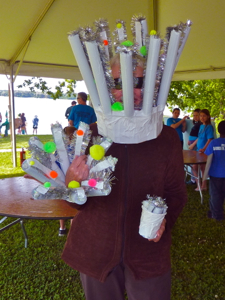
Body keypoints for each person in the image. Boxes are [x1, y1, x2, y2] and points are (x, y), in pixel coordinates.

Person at [62, 55, 187, 300]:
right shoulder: (88, 135)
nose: (130, 91)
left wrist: (164, 220)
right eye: (119, 82)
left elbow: (176, 194)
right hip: (96, 250)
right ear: (108, 88)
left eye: (139, 81)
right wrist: (71, 183)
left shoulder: (167, 139)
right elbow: (76, 203)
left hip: (148, 255)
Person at [189, 109, 214, 191]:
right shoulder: (201, 126)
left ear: (208, 116)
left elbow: (210, 139)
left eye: (204, 116)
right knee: (195, 167)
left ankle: (203, 185)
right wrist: (194, 145)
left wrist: (204, 148)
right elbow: (199, 137)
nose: (202, 117)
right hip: (198, 150)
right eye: (201, 116)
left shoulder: (209, 126)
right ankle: (199, 185)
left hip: (204, 151)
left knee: (202, 168)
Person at [204, 120, 225, 220]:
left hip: (216, 175)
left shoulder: (213, 143)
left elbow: (208, 160)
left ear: (218, 130)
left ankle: (217, 215)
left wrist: (204, 178)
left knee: (215, 195)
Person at [186, 109, 202, 185]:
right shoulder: (197, 124)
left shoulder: (201, 125)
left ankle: (194, 180)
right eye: (194, 115)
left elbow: (200, 137)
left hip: (195, 146)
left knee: (194, 163)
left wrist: (193, 144)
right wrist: (189, 140)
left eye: (197, 115)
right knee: (193, 163)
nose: (195, 117)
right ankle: (194, 179)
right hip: (192, 144)